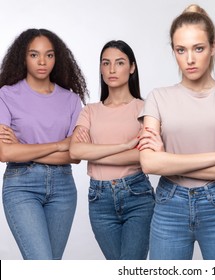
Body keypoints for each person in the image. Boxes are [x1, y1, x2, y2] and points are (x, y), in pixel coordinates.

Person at [137, 4, 215, 260]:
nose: (189, 59)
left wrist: (168, 162)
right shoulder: (157, 98)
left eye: (198, 48)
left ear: (213, 47)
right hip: (170, 204)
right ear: (174, 51)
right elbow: (149, 163)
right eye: (181, 50)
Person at [0, 28, 88, 259]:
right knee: (42, 263)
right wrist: (60, 145)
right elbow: (5, 152)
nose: (42, 61)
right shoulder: (6, 95)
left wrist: (23, 148)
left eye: (49, 55)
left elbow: (75, 155)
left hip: (63, 188)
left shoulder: (70, 99)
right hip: (21, 186)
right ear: (23, 57)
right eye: (34, 54)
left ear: (56, 58)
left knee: (51, 266)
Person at [69, 40, 155, 260]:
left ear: (132, 67)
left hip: (137, 194)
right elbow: (77, 152)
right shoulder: (90, 110)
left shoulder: (145, 109)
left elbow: (145, 156)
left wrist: (95, 151)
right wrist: (124, 146)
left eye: (119, 62)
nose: (112, 69)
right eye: (106, 63)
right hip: (100, 198)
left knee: (131, 267)